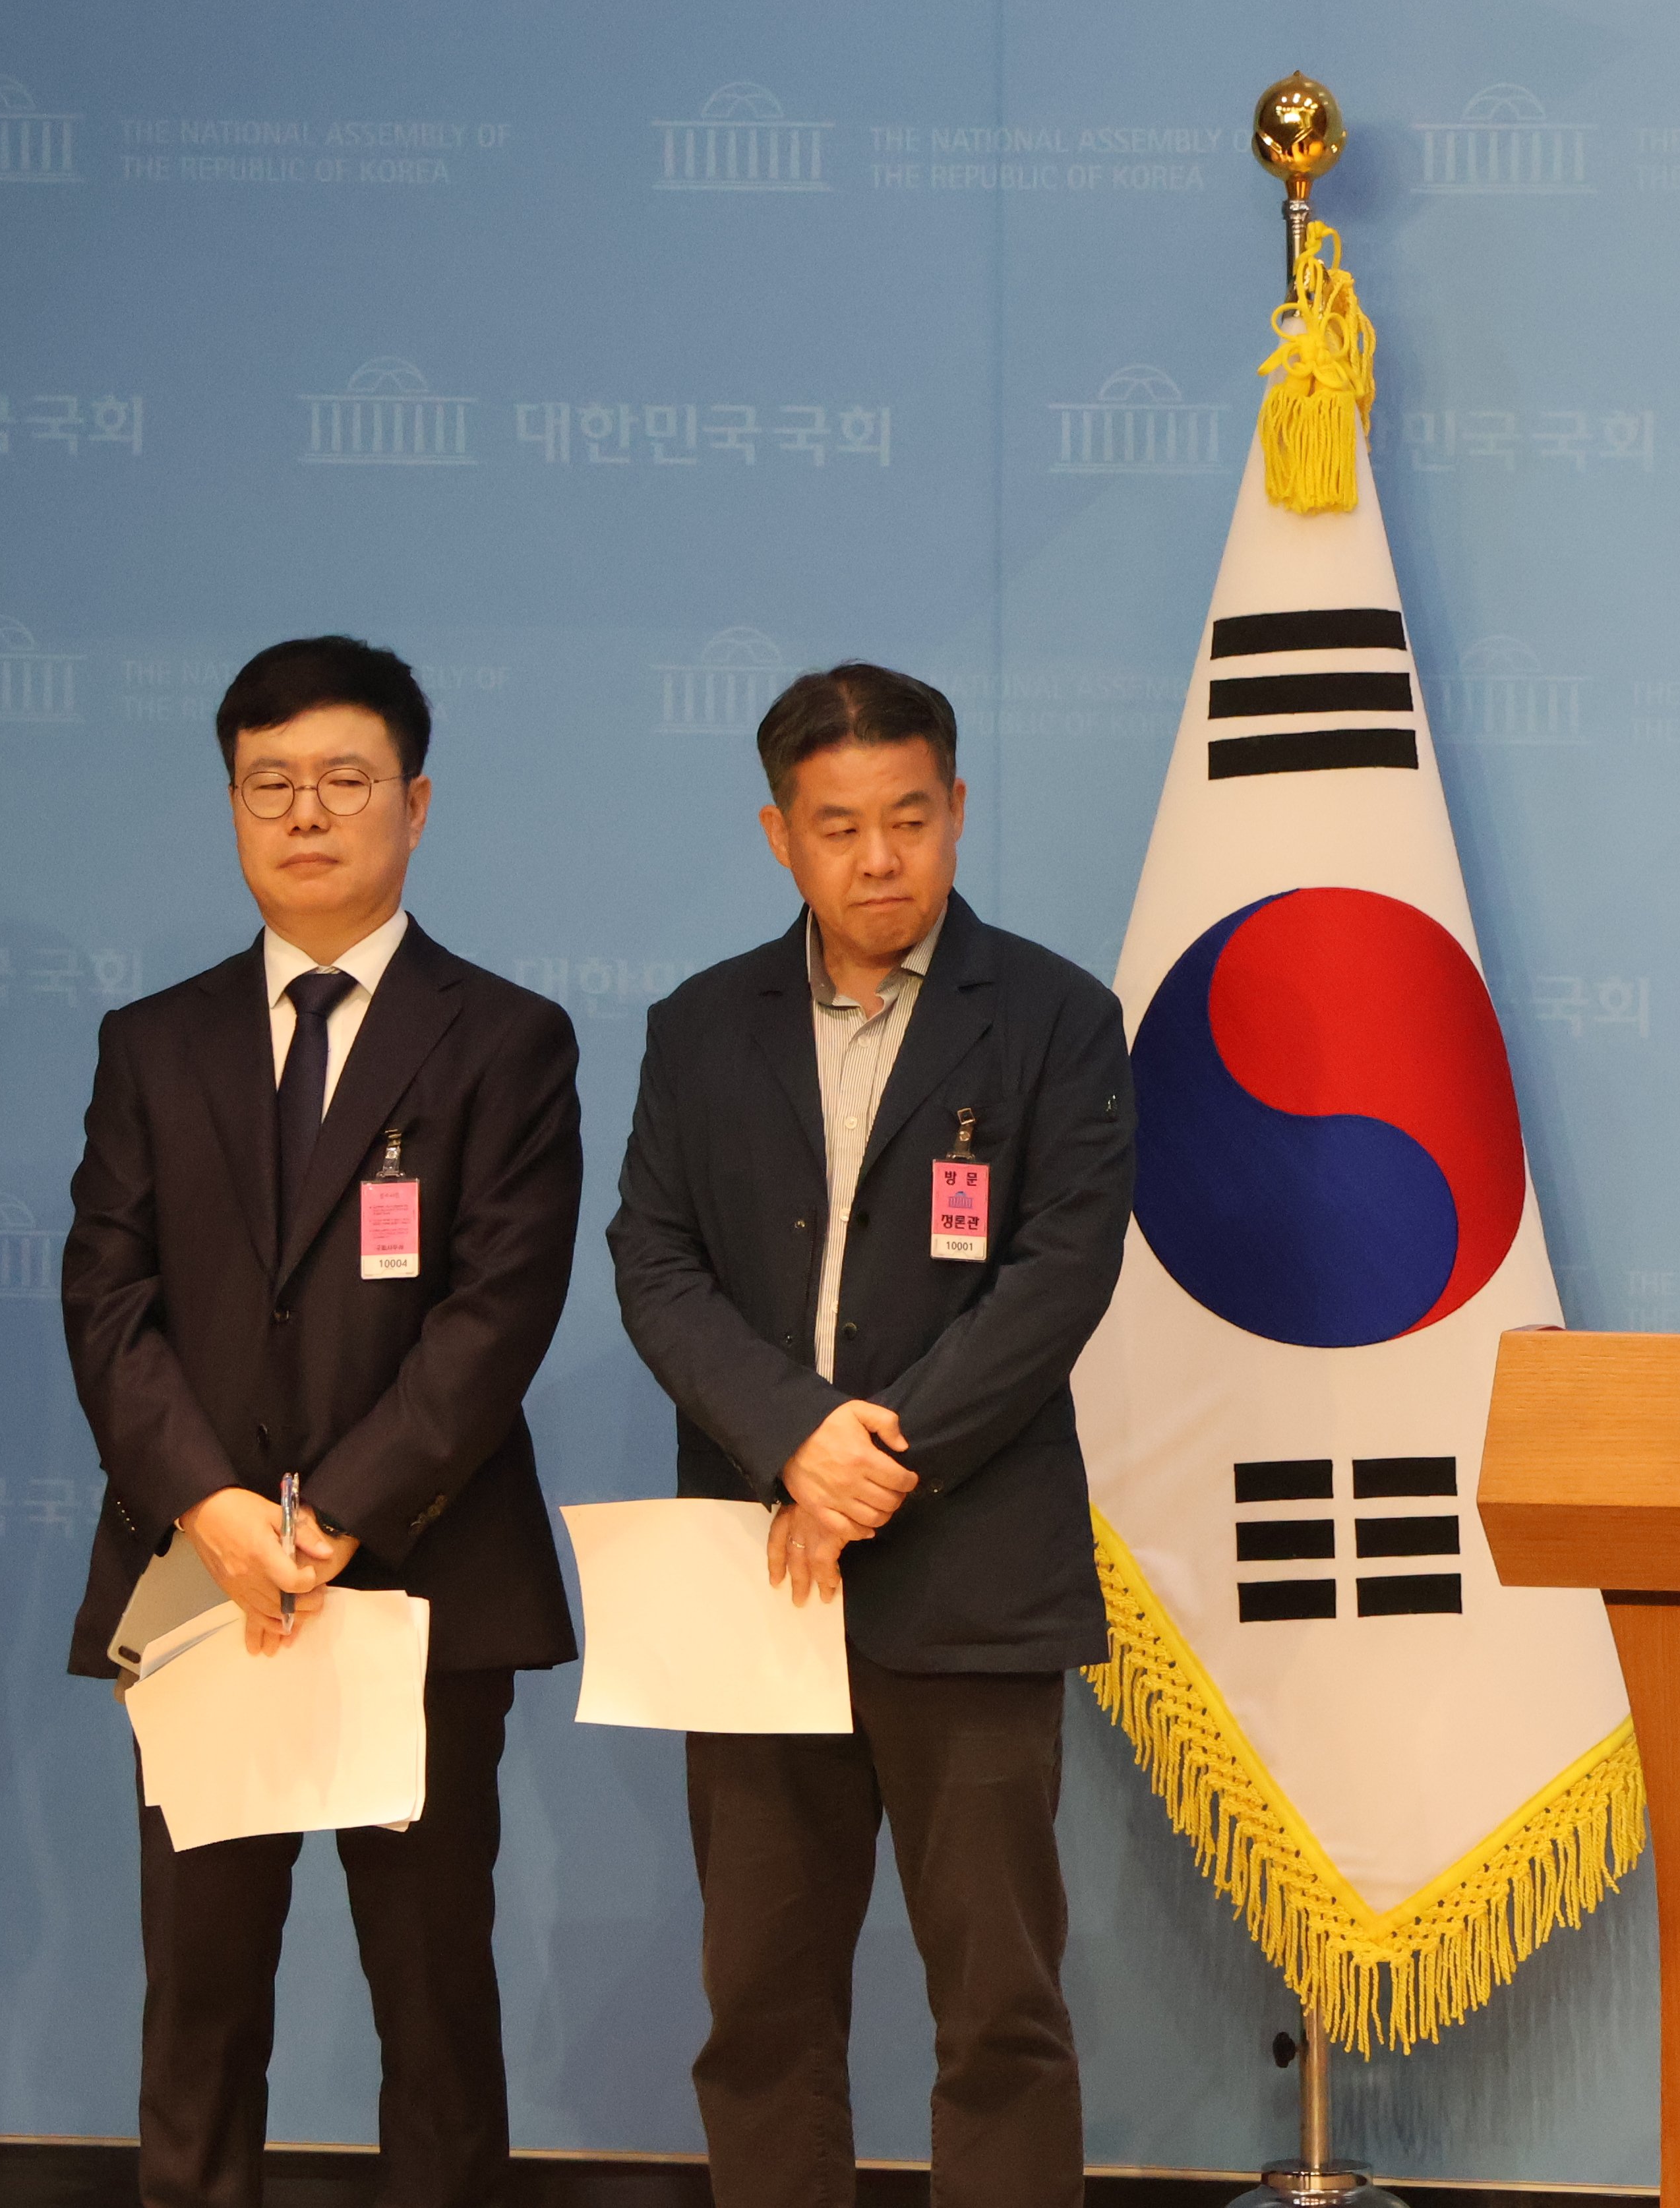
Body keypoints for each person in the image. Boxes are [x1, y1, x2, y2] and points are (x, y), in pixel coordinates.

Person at [59, 636, 582, 2208]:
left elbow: (497, 1315)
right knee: (199, 1998)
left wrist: (339, 1510)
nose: (305, 813)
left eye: (344, 781)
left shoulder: (507, 1039)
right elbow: (108, 1300)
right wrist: (215, 1509)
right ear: (231, 804)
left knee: (434, 1999)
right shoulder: (154, 1042)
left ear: (414, 804)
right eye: (268, 783)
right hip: (202, 1583)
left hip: (422, 1584)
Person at [609, 663, 1132, 2208]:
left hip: (972, 1570)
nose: (881, 858)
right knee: (760, 2005)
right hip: (759, 1572)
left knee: (1000, 2008)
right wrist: (795, 1440)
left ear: (957, 810)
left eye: (910, 817)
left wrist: (870, 1465)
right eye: (839, 827)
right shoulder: (701, 1027)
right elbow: (654, 1262)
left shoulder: (1055, 1017)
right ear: (780, 834)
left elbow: (1060, 1272)